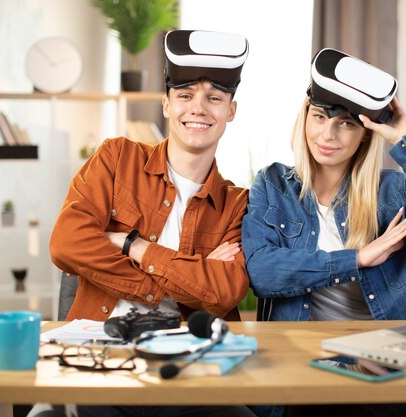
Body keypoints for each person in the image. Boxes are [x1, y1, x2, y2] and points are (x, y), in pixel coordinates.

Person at [242, 48, 406, 417]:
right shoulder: (272, 185)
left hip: (381, 365)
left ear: (366, 136)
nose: (328, 134)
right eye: (319, 117)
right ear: (305, 117)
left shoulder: (392, 193)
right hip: (304, 367)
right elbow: (262, 273)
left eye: (347, 124)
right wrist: (357, 259)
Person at [50, 29, 256, 417]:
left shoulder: (237, 203)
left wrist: (134, 246)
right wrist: (178, 283)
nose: (199, 108)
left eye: (214, 98)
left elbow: (225, 292)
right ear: (165, 104)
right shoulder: (116, 159)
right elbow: (65, 243)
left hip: (191, 367)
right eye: (185, 96)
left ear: (231, 110)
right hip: (102, 359)